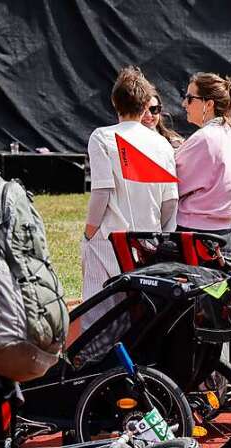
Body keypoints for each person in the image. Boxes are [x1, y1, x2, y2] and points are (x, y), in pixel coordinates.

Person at [81, 66, 178, 325]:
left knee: (98, 310)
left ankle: (98, 361)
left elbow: (102, 191)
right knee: (141, 311)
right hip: (149, 241)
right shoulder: (163, 144)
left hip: (111, 239)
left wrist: (89, 232)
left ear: (115, 102)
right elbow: (171, 201)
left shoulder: (102, 137)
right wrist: (162, 235)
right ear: (146, 103)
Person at [175, 72, 231, 262]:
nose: (184, 104)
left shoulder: (205, 138)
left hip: (195, 235)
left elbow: (171, 184)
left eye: (190, 99)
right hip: (225, 233)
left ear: (209, 104)